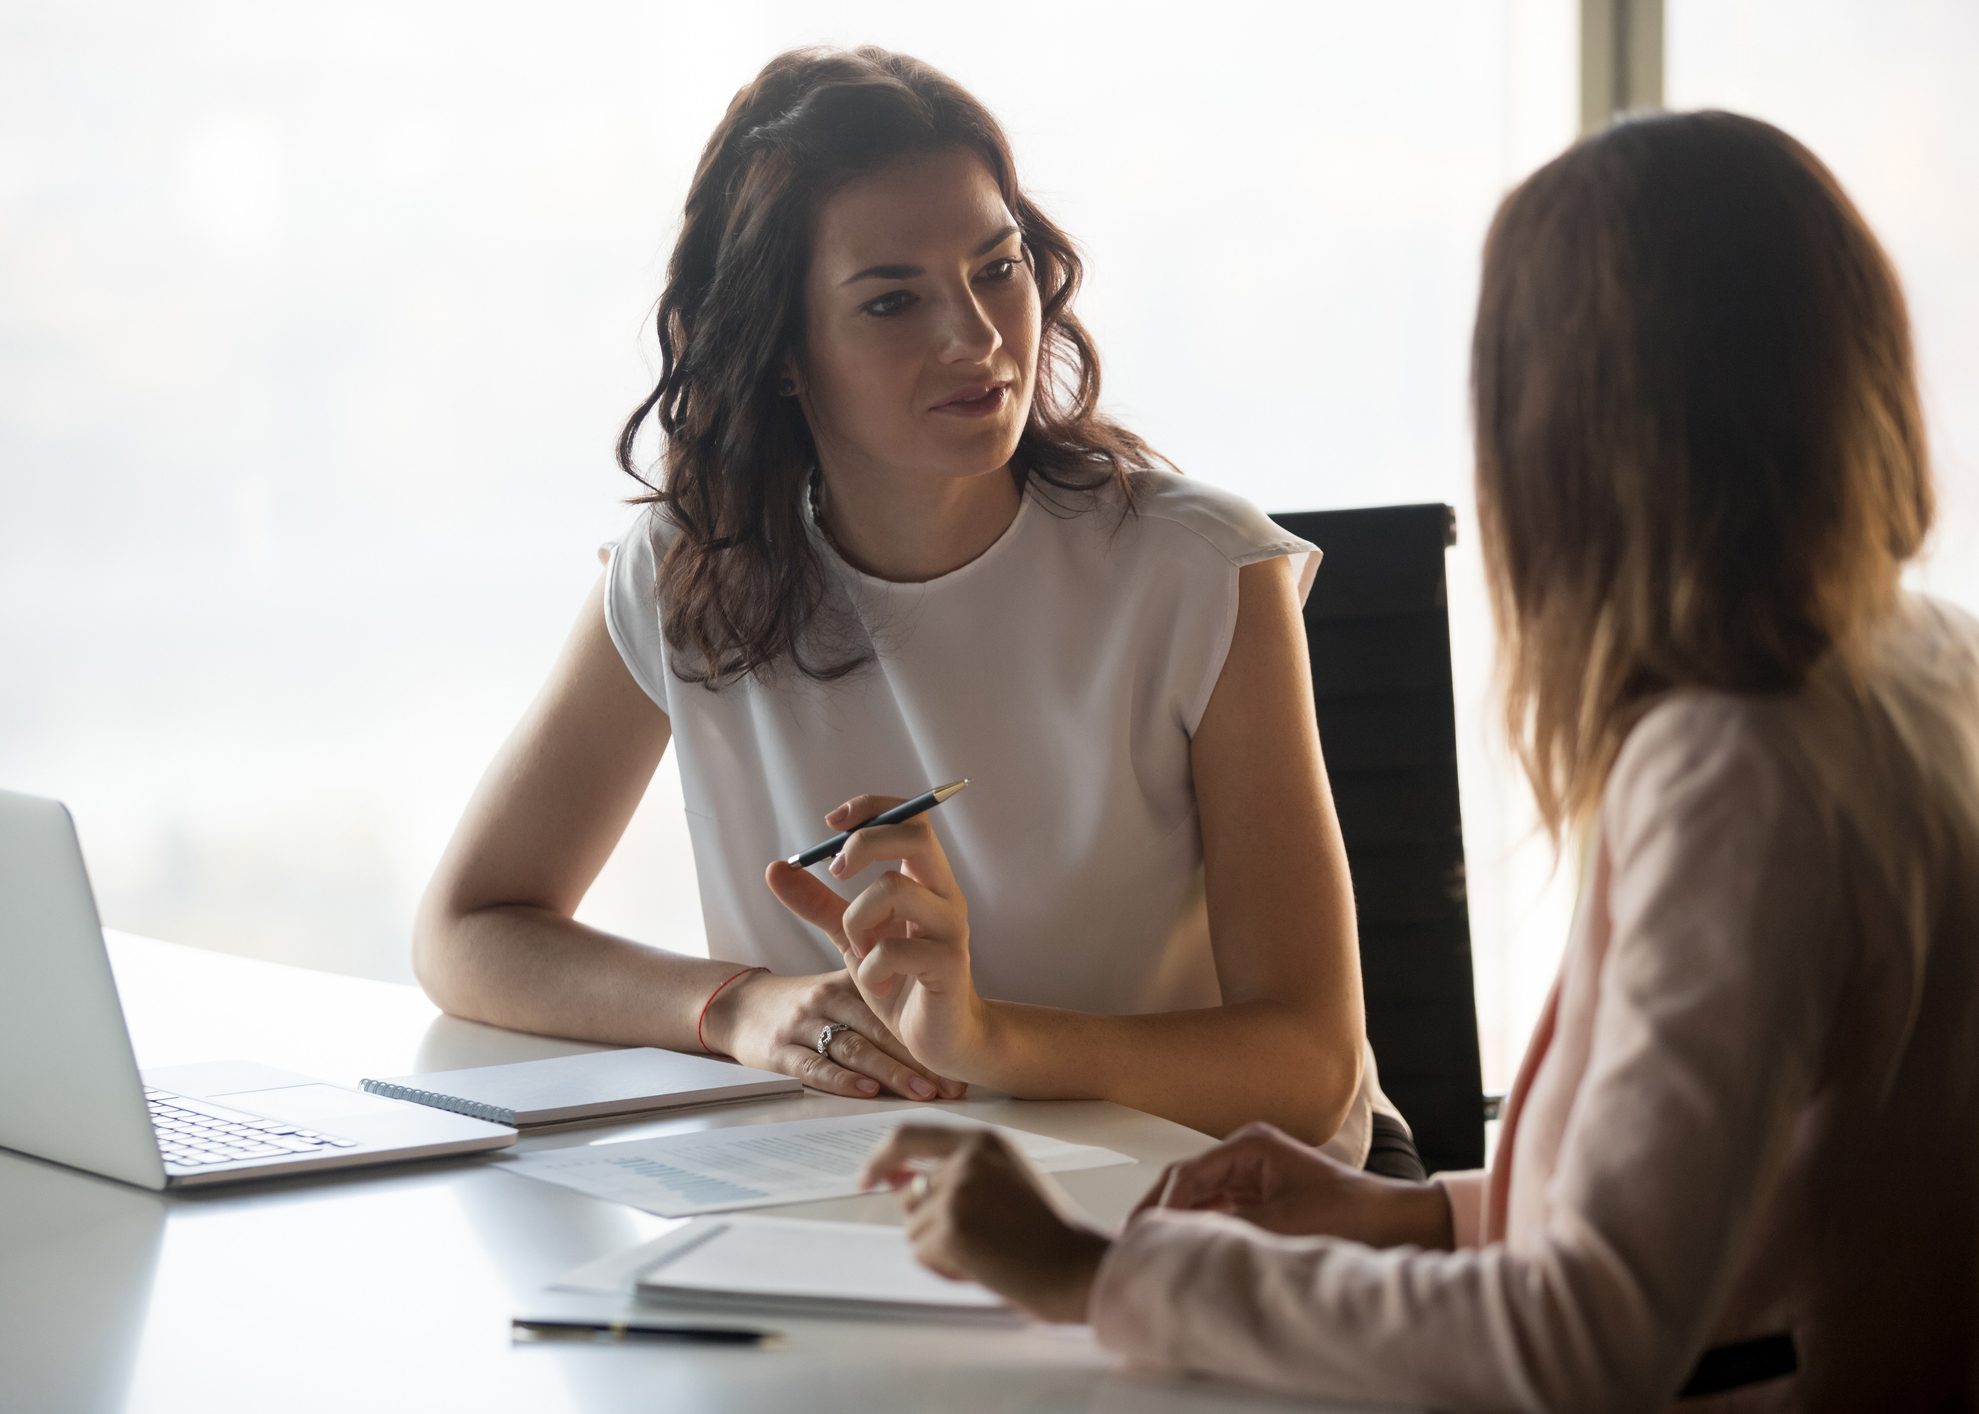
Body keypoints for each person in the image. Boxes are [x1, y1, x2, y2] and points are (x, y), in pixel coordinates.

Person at [860, 111, 1979, 1410]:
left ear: (1559, 429)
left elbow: (1574, 1341)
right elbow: (1752, 1205)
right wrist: (1415, 1216)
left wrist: (1087, 1271)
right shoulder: (1922, 661)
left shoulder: (1730, 770)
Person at [412, 45, 1406, 1162]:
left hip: (1213, 1206)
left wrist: (986, 1039)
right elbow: (467, 929)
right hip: (863, 1205)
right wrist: (738, 1007)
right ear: (782, 352)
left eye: (998, 267)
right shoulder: (692, 569)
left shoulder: (1199, 570)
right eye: (892, 301)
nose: (978, 338)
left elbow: (1311, 1070)